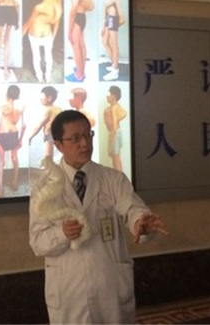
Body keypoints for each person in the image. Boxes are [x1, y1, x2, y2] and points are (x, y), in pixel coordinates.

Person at [29, 109, 167, 325]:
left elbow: (132, 210)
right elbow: (37, 242)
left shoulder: (113, 179)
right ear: (59, 145)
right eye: (75, 138)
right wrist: (62, 233)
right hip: (68, 292)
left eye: (88, 135)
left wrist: (141, 223)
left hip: (110, 288)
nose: (85, 143)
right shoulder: (43, 188)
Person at [22, 0, 63, 83]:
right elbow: (57, 22)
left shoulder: (39, 7)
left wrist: (18, 39)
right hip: (48, 35)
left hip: (35, 35)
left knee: (37, 56)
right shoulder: (59, 2)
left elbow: (27, 25)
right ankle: (47, 77)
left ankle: (40, 77)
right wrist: (53, 38)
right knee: (48, 56)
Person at [0, 84, 26, 196]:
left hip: (3, 134)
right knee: (14, 158)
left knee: (1, 161)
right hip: (14, 134)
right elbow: (23, 126)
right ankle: (14, 182)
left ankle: (0, 189)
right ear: (18, 95)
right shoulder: (21, 108)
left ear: (7, 93)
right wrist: (20, 140)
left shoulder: (2, 107)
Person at [66, 0, 95, 82]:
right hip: (82, 18)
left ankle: (79, 75)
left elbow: (73, 12)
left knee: (76, 46)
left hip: (77, 18)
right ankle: (81, 70)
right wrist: (83, 7)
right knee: (81, 45)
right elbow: (91, 6)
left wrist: (69, 30)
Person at [101, 0, 125, 82]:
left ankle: (115, 71)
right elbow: (105, 8)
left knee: (114, 44)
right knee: (104, 41)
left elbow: (122, 18)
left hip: (113, 19)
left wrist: (114, 27)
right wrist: (104, 24)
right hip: (108, 19)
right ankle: (114, 64)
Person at [27, 86, 61, 163]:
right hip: (57, 135)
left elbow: (38, 127)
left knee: (48, 159)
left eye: (42, 97)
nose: (40, 99)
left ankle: (48, 170)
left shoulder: (49, 110)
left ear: (49, 98)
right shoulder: (58, 108)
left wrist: (30, 137)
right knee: (49, 159)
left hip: (50, 136)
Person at [104, 85, 127, 172]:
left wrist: (110, 146)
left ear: (113, 96)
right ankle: (119, 177)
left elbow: (114, 127)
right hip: (116, 133)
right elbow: (124, 113)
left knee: (116, 159)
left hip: (114, 133)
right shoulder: (114, 107)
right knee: (116, 158)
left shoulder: (113, 108)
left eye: (108, 95)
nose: (106, 96)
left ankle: (119, 178)